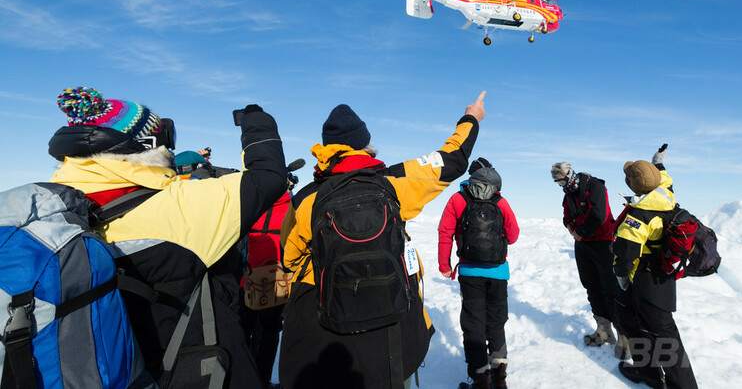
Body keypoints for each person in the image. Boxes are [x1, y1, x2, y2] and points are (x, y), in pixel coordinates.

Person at [47, 87, 287, 388]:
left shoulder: (48, 209)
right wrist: (256, 121)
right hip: (189, 369)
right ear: (148, 145)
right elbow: (268, 177)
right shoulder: (183, 205)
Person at [279, 92, 486, 389]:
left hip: (325, 330)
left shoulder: (307, 198)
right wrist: (471, 118)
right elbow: (452, 159)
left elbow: (290, 257)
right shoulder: (395, 182)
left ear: (328, 149)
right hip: (392, 331)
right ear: (366, 145)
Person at [613, 145, 698, 389]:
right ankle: (647, 373)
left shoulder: (637, 216)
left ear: (634, 186)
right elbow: (665, 179)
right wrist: (657, 163)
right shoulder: (664, 194)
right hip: (662, 277)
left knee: (664, 337)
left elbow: (625, 255)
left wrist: (621, 278)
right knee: (630, 319)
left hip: (645, 281)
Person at [438, 158, 520, 389]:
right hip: (498, 272)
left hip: (470, 272)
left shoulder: (457, 199)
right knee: (496, 321)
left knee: (473, 323)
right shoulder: (500, 200)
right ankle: (500, 378)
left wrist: (444, 264)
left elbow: (445, 232)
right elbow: (513, 235)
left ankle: (480, 379)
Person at [550, 162, 629, 359]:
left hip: (603, 243)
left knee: (610, 289)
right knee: (591, 286)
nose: (561, 186)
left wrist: (581, 232)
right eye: (557, 184)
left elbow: (599, 215)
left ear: (569, 175)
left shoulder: (594, 186)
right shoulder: (569, 192)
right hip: (583, 244)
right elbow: (566, 215)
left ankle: (624, 338)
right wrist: (571, 228)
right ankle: (604, 331)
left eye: (561, 182)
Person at [240, 159, 304, 388]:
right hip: (276, 279)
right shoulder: (293, 208)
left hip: (245, 277)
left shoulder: (250, 202)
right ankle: (262, 380)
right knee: (268, 332)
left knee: (243, 330)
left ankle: (240, 376)